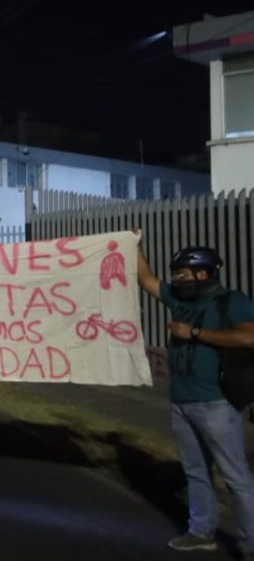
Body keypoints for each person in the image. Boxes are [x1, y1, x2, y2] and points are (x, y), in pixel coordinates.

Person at [135, 239, 254, 557]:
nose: (177, 279)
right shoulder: (179, 299)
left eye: (183, 273)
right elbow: (146, 279)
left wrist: (196, 333)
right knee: (196, 472)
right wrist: (134, 246)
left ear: (204, 273)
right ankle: (201, 532)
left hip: (216, 403)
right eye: (176, 274)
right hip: (181, 402)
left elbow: (249, 335)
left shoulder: (231, 301)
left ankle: (250, 544)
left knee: (235, 478)